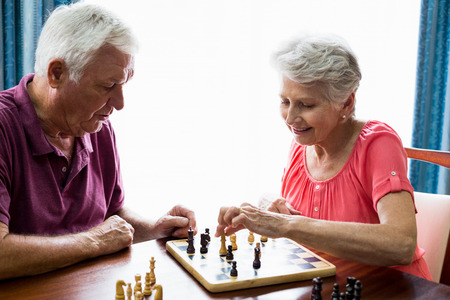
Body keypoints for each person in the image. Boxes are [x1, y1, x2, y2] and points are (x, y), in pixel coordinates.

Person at [0, 3, 196, 280]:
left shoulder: (97, 125)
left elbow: (110, 216)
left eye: (123, 85)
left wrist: (155, 229)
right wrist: (92, 242)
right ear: (57, 73)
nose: (120, 104)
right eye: (108, 86)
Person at [215, 34, 432, 280]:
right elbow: (297, 218)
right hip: (325, 285)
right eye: (285, 101)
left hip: (388, 289)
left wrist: (286, 226)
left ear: (346, 103)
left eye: (306, 105)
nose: (290, 118)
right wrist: (270, 202)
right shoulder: (302, 144)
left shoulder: (377, 143)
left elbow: (401, 244)